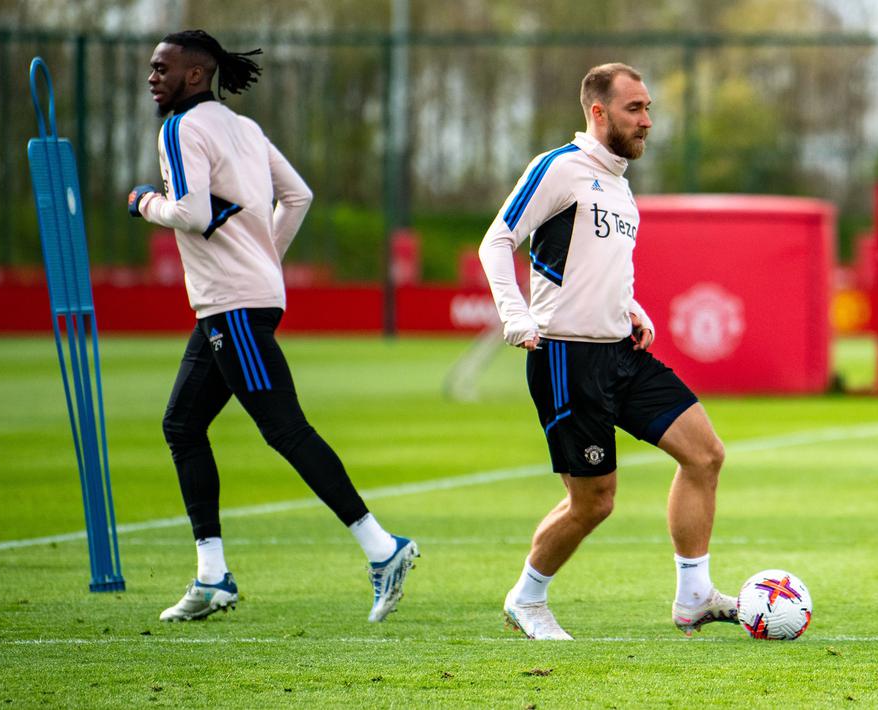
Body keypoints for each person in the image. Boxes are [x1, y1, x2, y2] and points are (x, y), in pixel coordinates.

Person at [128, 30, 417, 623]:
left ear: (194, 74)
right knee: (182, 425)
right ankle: (212, 577)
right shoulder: (245, 128)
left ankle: (383, 549)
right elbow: (300, 195)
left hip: (233, 305)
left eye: (163, 67)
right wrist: (266, 260)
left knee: (285, 429)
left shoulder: (181, 128)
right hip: (232, 303)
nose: (152, 76)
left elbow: (189, 212)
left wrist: (141, 202)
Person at [478, 63, 736, 640]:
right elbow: (497, 240)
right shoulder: (559, 168)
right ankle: (527, 598)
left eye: (648, 109)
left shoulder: (619, 186)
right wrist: (514, 315)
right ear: (598, 112)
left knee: (705, 454)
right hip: (566, 358)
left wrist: (632, 308)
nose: (647, 121)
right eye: (634, 109)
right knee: (594, 503)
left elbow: (597, 268)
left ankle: (694, 596)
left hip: (620, 351)